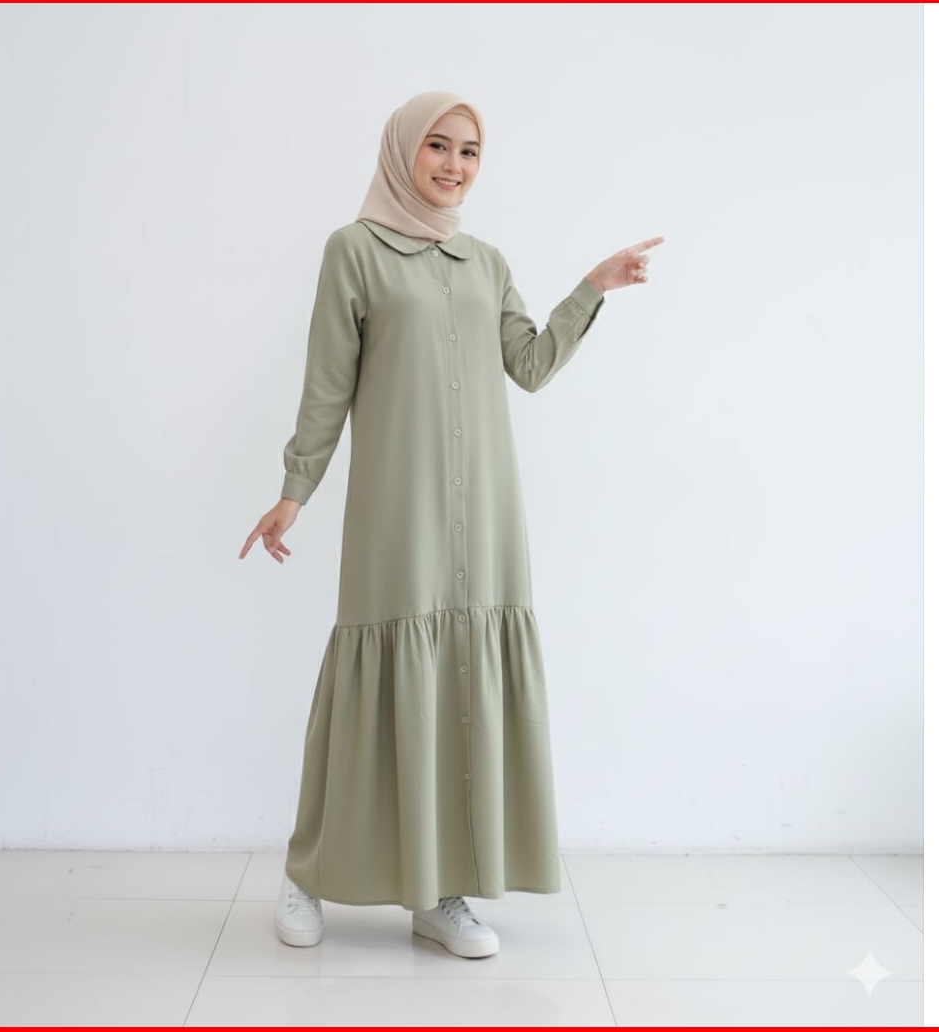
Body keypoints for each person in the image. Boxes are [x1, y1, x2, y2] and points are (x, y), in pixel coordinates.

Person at [239, 90, 663, 959]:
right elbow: (328, 383)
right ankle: (307, 873)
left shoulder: (486, 262)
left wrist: (593, 287)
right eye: (438, 145)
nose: (454, 165)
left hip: (488, 513)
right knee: (373, 685)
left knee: (463, 688)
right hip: (398, 506)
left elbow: (529, 365)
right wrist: (295, 487)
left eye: (469, 151)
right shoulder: (354, 251)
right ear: (403, 149)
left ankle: (440, 893)